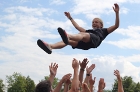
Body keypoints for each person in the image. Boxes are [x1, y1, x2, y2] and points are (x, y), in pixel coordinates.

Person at [37, 3, 119, 54]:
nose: (94, 23)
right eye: (93, 22)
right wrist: (70, 18)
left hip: (95, 40)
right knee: (68, 42)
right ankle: (51, 46)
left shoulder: (104, 31)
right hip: (86, 45)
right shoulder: (88, 31)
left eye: (96, 22)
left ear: (101, 25)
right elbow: (77, 27)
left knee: (81, 35)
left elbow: (116, 26)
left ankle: (68, 36)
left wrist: (117, 13)